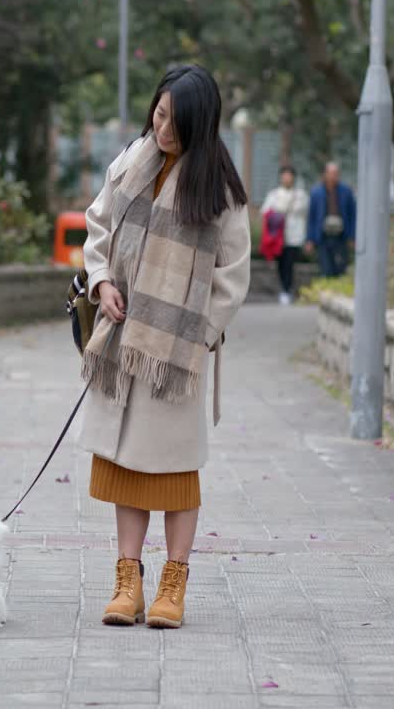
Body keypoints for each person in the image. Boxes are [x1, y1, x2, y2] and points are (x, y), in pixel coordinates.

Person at [78, 64, 251, 630]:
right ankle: (127, 581)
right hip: (125, 341)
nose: (164, 129)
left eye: (176, 122)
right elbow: (98, 225)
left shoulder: (220, 188)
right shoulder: (133, 159)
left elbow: (233, 275)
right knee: (127, 465)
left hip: (175, 356)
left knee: (175, 473)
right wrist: (103, 282)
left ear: (201, 125)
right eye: (159, 114)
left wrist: (194, 338)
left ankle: (173, 585)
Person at [259, 165, 309, 304]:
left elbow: (304, 214)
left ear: (293, 178)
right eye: (284, 175)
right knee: (281, 264)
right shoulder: (274, 195)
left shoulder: (301, 195)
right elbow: (265, 212)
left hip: (294, 236)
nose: (287, 178)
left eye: (289, 175)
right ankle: (284, 289)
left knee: (290, 263)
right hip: (278, 237)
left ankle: (287, 290)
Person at [305, 162, 356, 277]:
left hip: (341, 236)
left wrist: (352, 237)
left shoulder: (346, 192)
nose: (333, 176)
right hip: (323, 236)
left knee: (341, 268)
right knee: (325, 268)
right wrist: (310, 239)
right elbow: (311, 217)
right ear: (325, 174)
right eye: (331, 173)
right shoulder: (316, 192)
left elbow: (353, 216)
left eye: (336, 173)